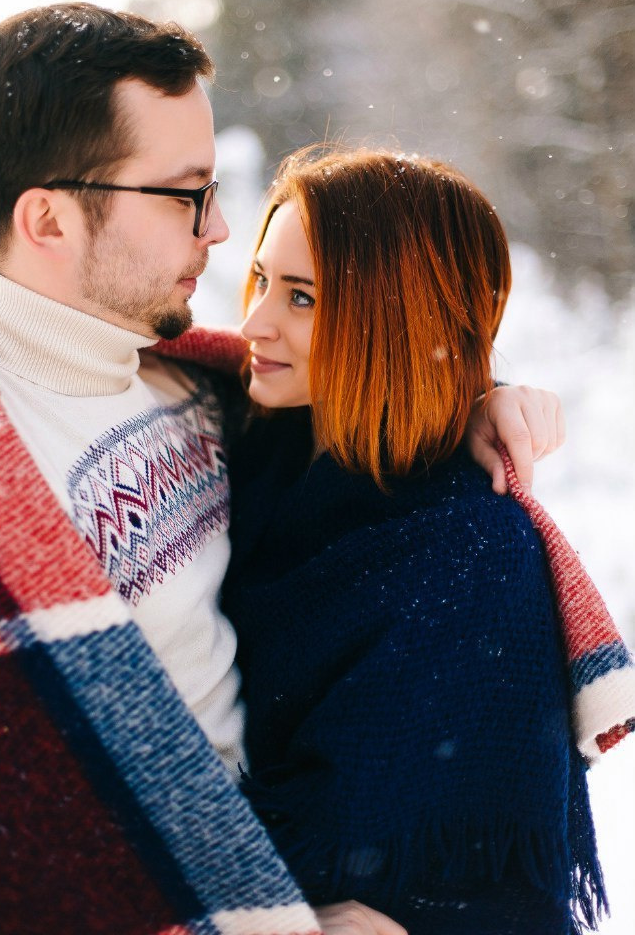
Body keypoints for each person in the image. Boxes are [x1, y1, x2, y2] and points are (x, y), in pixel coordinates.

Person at [0, 2, 566, 934]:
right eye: (186, 192)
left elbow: (365, 375)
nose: (220, 229)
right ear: (48, 219)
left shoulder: (193, 385)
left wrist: (463, 403)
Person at [221, 147, 635, 934]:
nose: (253, 321)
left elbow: (476, 879)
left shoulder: (469, 552)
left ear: (396, 318)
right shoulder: (244, 449)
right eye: (263, 279)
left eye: (302, 297)